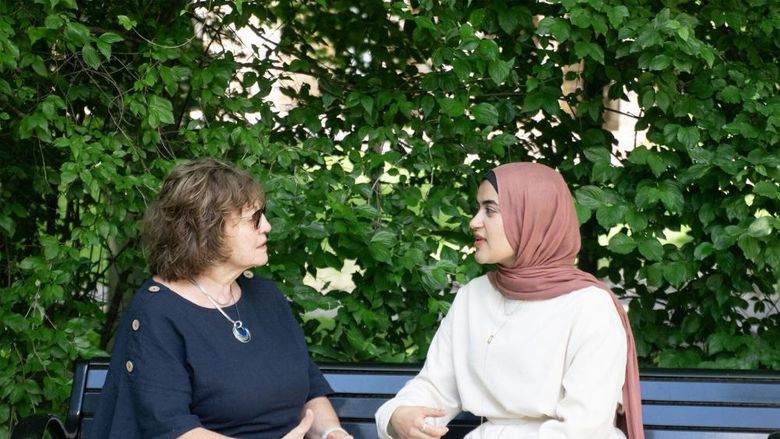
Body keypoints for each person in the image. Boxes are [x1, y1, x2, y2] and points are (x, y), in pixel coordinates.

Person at [375, 162, 643, 438]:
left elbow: (583, 428)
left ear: (531, 217)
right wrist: (398, 415)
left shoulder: (590, 307)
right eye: (478, 208)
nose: (474, 221)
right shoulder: (473, 296)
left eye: (490, 210)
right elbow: (436, 386)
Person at [91, 158, 353, 439]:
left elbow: (309, 388)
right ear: (206, 229)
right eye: (252, 219)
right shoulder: (157, 313)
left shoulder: (266, 297)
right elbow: (172, 429)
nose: (266, 226)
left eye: (262, 215)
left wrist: (331, 432)